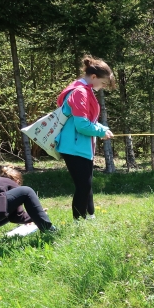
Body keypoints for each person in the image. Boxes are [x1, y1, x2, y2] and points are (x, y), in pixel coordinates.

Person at [55, 55, 115, 220]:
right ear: (94, 77)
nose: (102, 87)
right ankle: (78, 221)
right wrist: (100, 132)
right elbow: (81, 125)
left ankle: (90, 216)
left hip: (80, 145)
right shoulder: (80, 92)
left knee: (86, 184)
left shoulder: (84, 89)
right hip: (73, 146)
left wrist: (103, 129)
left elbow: (87, 121)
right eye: (102, 83)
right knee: (83, 185)